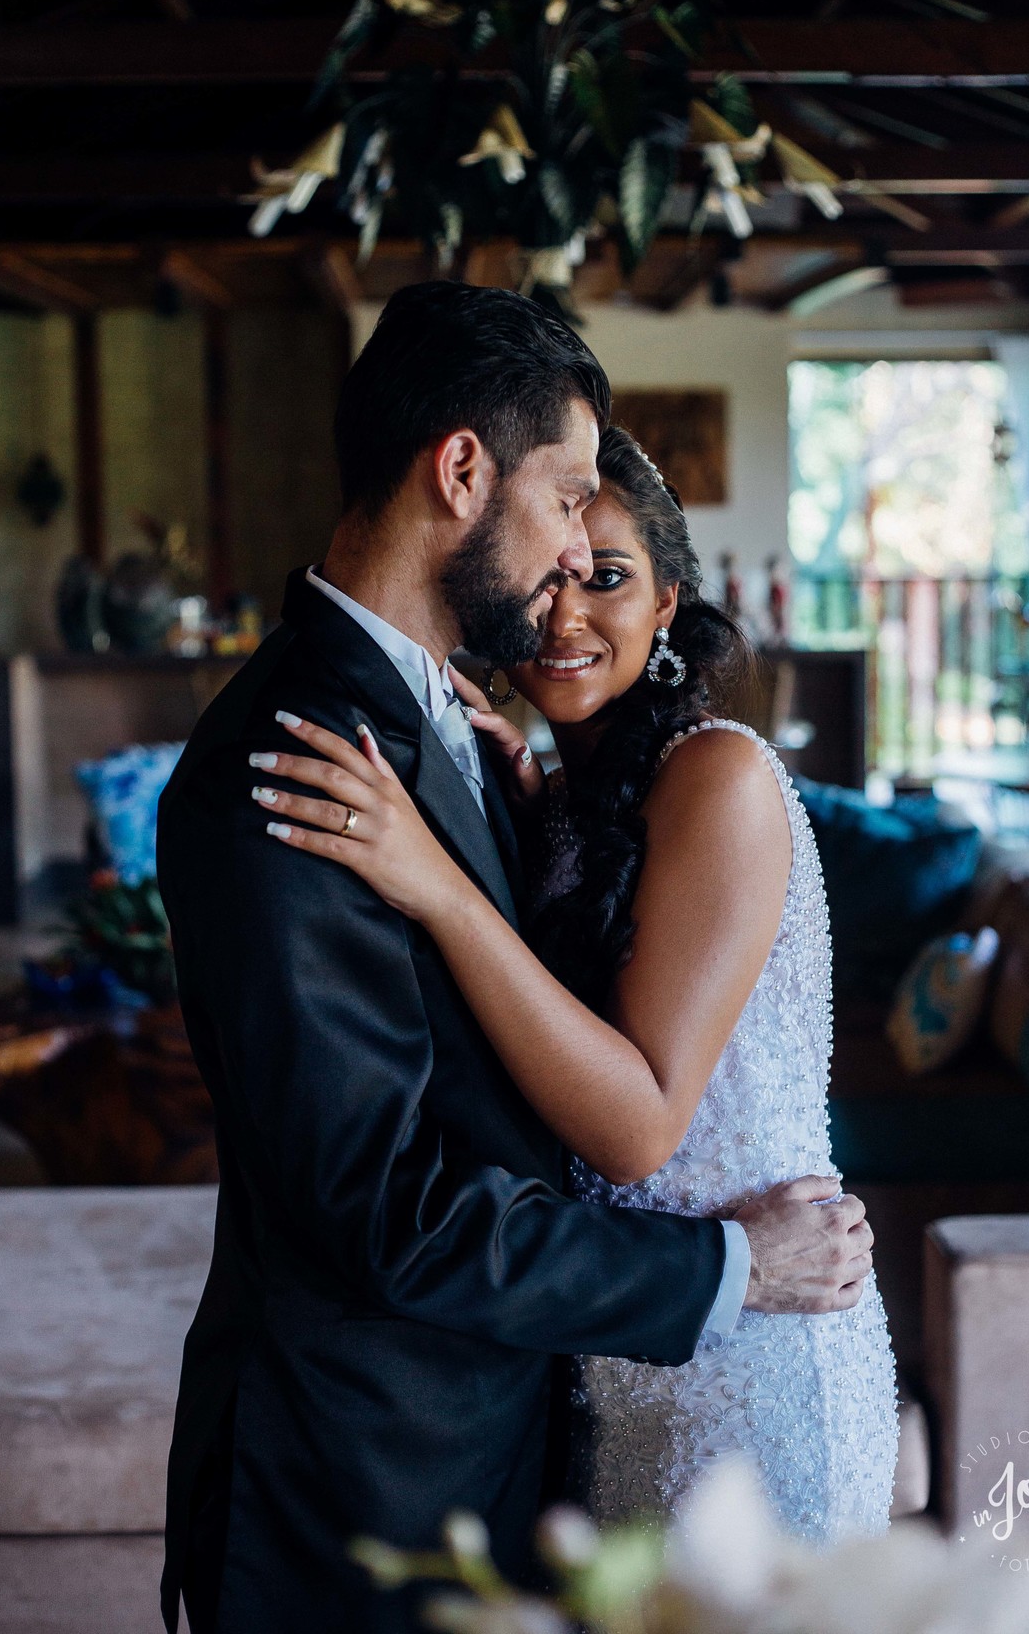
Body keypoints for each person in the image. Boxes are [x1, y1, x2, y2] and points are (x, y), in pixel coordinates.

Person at [158, 283, 876, 1634]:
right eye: (563, 501)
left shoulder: (455, 729)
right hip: (360, 1490)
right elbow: (388, 1209)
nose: (563, 560)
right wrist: (726, 1271)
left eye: (606, 555)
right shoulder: (287, 764)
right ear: (463, 471)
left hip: (526, 1435)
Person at [255, 421, 898, 1544]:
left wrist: (442, 887)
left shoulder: (720, 774)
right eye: (549, 578)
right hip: (615, 1362)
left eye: (608, 578)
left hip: (751, 1370)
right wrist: (509, 828)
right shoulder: (560, 797)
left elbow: (640, 1129)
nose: (565, 615)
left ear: (667, 608)